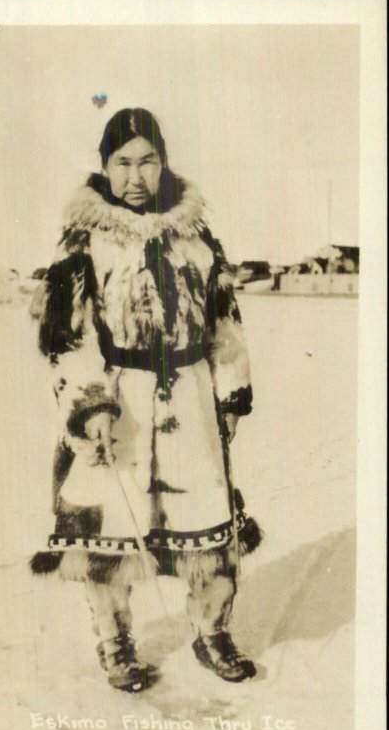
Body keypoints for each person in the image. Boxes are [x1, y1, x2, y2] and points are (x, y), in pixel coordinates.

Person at [30, 108, 262, 693]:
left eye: (147, 161)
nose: (136, 177)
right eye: (123, 163)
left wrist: (230, 392)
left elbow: (224, 322)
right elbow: (67, 336)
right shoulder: (83, 241)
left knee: (208, 528)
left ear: (164, 163)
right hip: (119, 401)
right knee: (110, 533)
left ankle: (213, 633)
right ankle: (115, 642)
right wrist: (92, 408)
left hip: (188, 398)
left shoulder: (196, 236)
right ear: (105, 167)